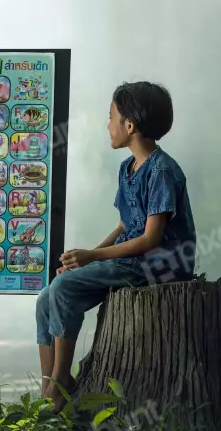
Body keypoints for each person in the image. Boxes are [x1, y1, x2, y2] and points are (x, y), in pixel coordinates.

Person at [34, 81, 196, 413]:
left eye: (110, 117)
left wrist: (92, 256)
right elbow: (126, 224)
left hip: (160, 262)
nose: (106, 125)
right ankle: (48, 384)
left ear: (130, 126)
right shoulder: (128, 168)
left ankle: (62, 379)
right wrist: (84, 258)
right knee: (46, 295)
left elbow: (151, 238)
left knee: (63, 287)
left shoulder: (162, 170)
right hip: (132, 258)